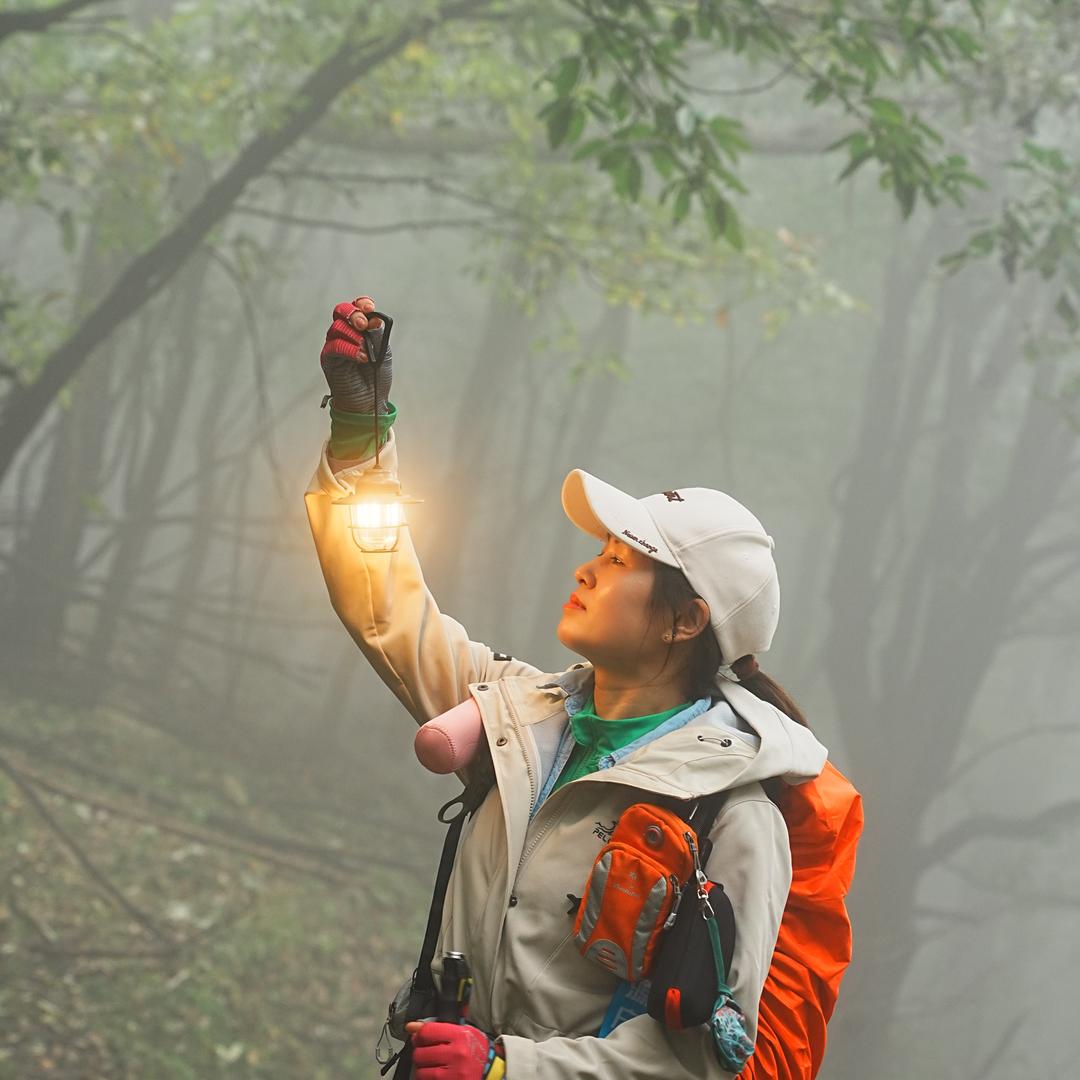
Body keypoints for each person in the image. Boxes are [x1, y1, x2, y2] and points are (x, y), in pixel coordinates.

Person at [306, 296, 830, 1080]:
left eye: (619, 562)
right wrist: (359, 439)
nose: (586, 567)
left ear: (685, 622)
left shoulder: (733, 814)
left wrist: (506, 1069)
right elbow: (387, 607)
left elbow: (705, 1061)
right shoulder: (517, 715)